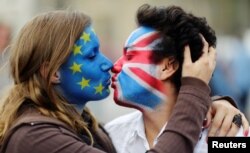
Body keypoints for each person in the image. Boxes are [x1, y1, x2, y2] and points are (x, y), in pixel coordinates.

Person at [0, 10, 215, 153]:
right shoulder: (34, 138)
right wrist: (194, 94)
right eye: (91, 56)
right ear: (53, 72)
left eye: (130, 56)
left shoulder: (227, 133)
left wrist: (218, 106)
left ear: (168, 66)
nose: (110, 64)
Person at [105, 4, 250, 153]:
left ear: (168, 66)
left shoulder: (227, 137)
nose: (115, 66)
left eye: (130, 56)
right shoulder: (111, 137)